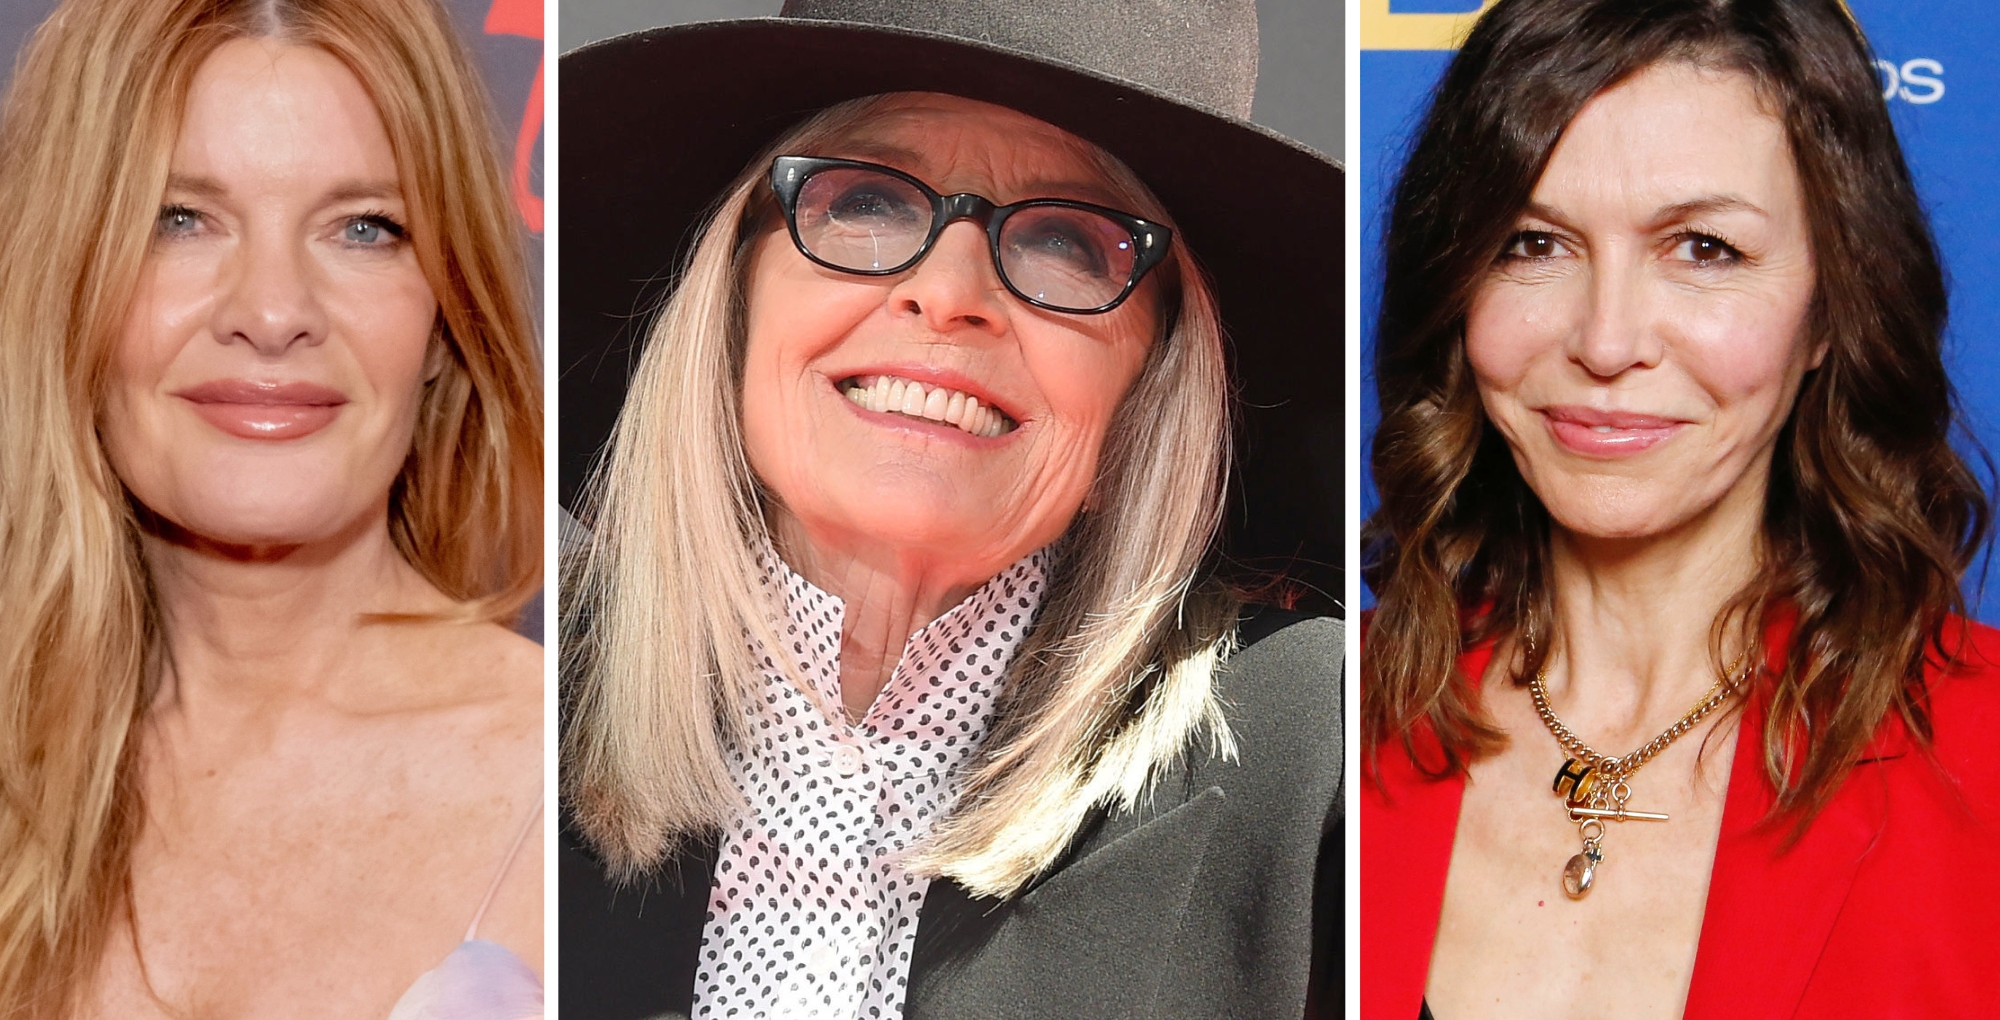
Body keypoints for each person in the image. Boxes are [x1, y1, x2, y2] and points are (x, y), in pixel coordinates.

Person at [557, 1, 1342, 1018]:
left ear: (1147, 390)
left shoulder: (1314, 764)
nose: (947, 287)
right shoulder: (500, 716)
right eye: (867, 202)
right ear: (734, 300)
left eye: (1067, 238)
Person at [1360, 0, 2000, 1017]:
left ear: (1830, 306)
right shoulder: (1312, 733)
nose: (1606, 341)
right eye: (1532, 242)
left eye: (1702, 248)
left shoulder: (1983, 755)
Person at [0, 0, 544, 1015]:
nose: (272, 312)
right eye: (180, 219)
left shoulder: (571, 796)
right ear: (65, 281)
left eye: (364, 229)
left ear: (442, 325)